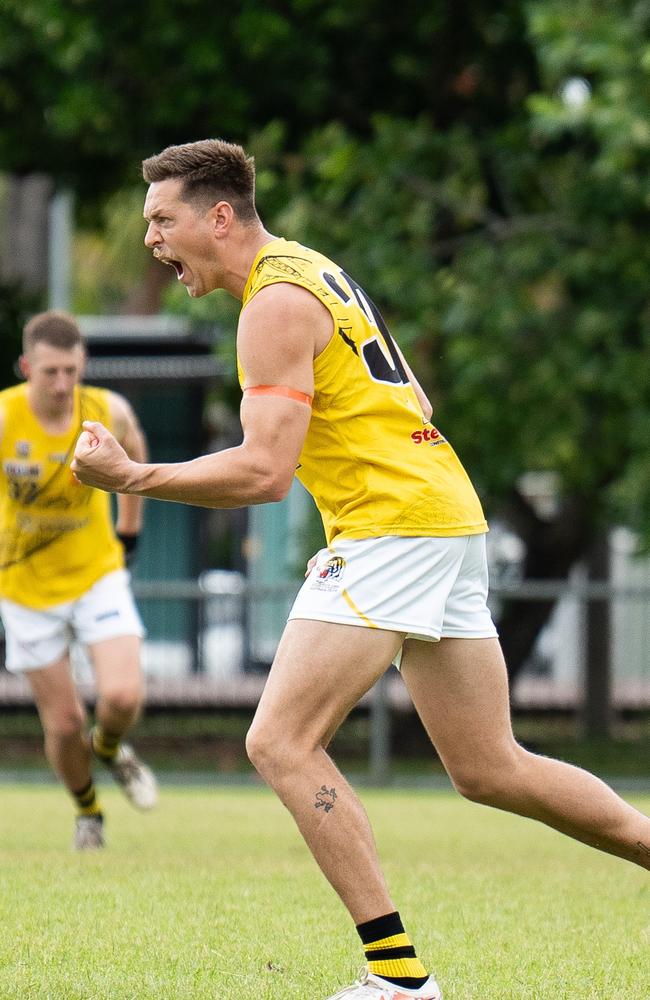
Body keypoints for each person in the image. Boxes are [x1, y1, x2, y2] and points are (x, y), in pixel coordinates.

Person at [72, 139, 650, 999]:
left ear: (218, 216)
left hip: (397, 528)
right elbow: (412, 400)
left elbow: (265, 475)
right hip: (443, 515)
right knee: (490, 766)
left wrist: (132, 477)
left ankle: (399, 978)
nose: (152, 240)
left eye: (163, 219)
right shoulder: (317, 269)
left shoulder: (271, 304)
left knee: (278, 742)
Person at [0, 310, 158, 851]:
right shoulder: (4, 418)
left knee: (121, 695)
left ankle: (112, 749)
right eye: (50, 373)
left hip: (96, 572)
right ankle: (89, 811)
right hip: (23, 586)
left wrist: (129, 530)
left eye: (72, 370)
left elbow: (135, 451)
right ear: (26, 367)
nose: (64, 384)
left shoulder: (105, 411)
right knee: (64, 724)